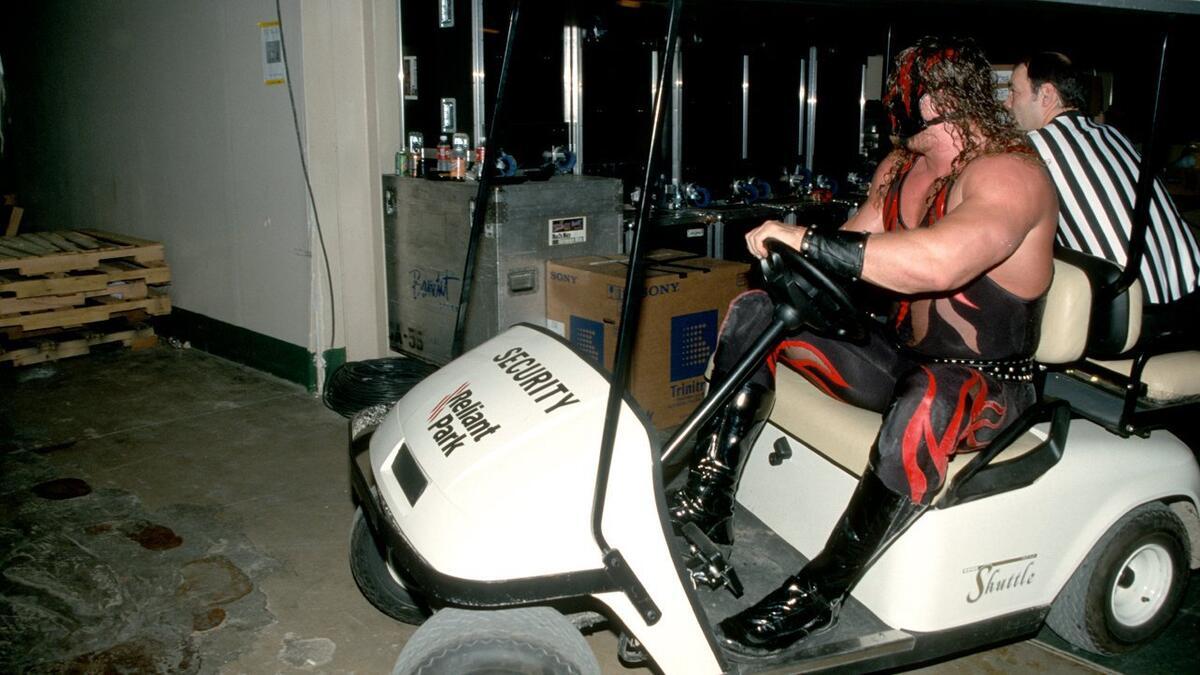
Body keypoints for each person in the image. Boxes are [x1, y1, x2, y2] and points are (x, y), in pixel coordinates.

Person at [666, 36, 1059, 654]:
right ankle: (708, 497)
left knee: (931, 398)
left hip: (989, 381)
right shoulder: (902, 170)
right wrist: (793, 269)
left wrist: (804, 241)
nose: (886, 110)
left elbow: (939, 262)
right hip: (903, 359)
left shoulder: (1009, 174)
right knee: (755, 312)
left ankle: (819, 595)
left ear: (927, 102)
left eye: (896, 97)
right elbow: (853, 248)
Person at [1004, 52, 1200, 350]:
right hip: (1189, 310)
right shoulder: (1113, 135)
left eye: (1013, 92)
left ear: (1046, 95)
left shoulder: (1031, 149)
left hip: (1128, 321)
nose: (1007, 103)